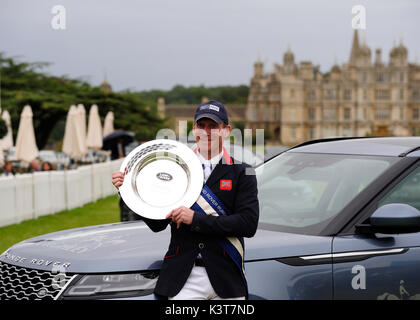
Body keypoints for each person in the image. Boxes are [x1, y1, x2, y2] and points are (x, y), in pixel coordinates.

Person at [112, 100, 259, 300]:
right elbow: (157, 224)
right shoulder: (174, 168)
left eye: (213, 126)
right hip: (183, 280)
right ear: (194, 129)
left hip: (227, 279)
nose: (206, 131)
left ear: (226, 131)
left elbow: (248, 224)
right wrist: (127, 191)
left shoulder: (243, 171)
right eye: (201, 125)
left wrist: (196, 219)